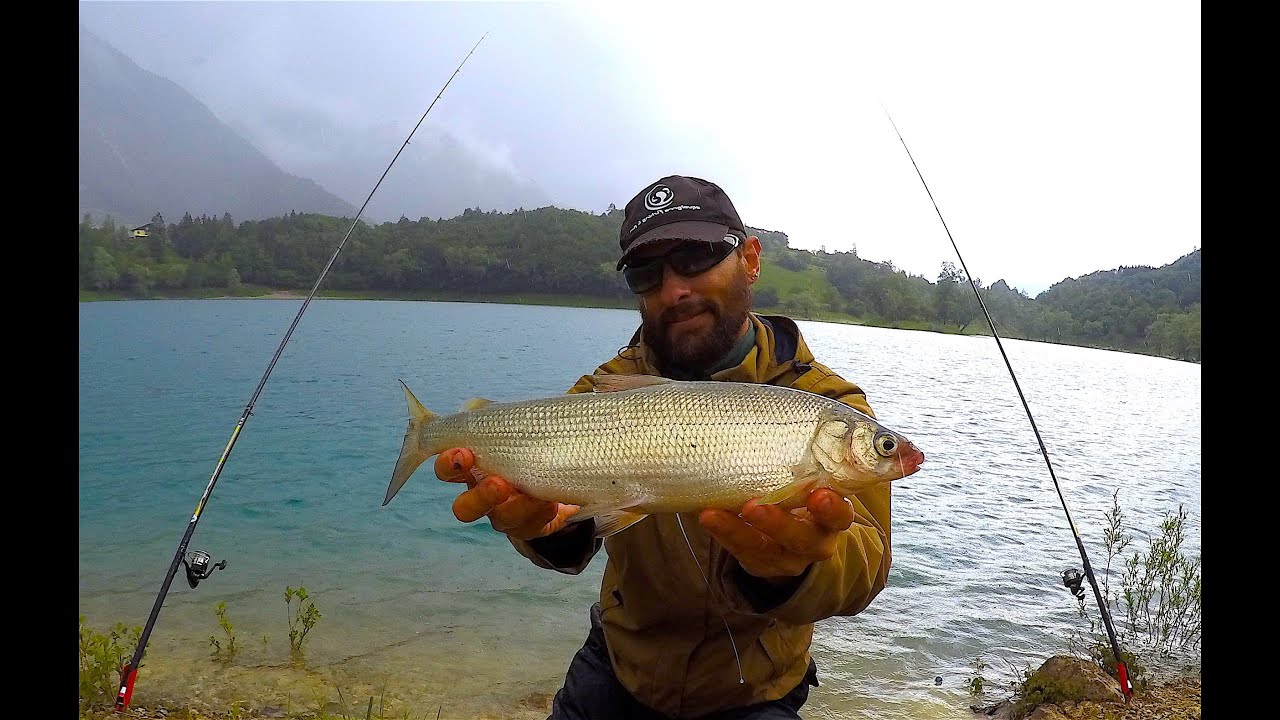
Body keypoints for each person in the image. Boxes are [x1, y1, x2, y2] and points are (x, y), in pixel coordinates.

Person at [434, 175, 892, 719]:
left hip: (751, 687)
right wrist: (544, 530)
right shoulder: (600, 392)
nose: (675, 290)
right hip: (620, 665)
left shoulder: (825, 404)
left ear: (750, 259)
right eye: (647, 273)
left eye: (696, 258)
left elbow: (868, 561)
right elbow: (562, 525)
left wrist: (789, 569)